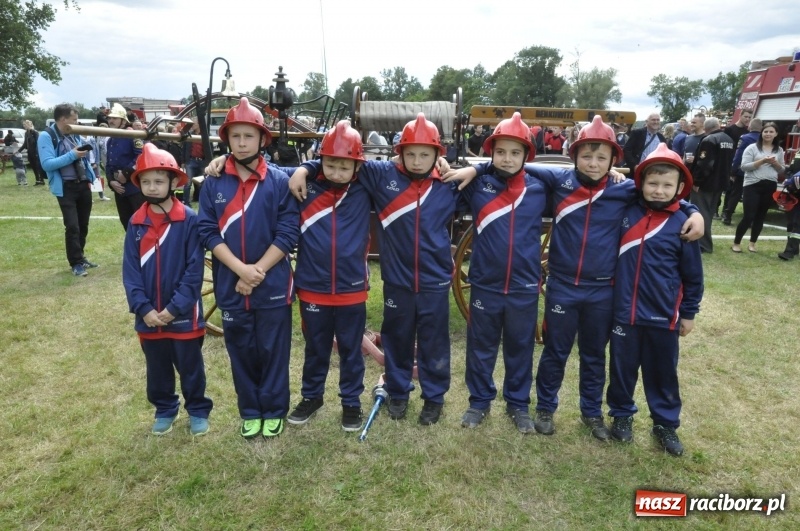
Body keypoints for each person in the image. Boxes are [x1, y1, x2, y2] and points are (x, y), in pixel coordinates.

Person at [445, 116, 704, 440]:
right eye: (586, 156)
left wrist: (695, 213)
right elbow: (508, 168)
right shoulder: (557, 182)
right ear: (573, 155)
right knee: (551, 351)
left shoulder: (624, 191)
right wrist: (478, 168)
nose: (593, 164)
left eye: (601, 157)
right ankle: (528, 406)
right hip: (561, 287)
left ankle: (588, 412)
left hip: (601, 291)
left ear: (613, 159)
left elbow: (662, 194)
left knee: (592, 354)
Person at [288, 113, 457, 426]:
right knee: (397, 339)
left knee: (434, 343)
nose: (417, 161)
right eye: (411, 154)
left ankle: (433, 398)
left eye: (425, 155)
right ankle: (397, 391)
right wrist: (304, 167)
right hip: (396, 280)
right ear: (399, 153)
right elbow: (337, 162)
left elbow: (500, 176)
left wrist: (473, 168)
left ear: (437, 155)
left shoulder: (449, 185)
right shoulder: (378, 175)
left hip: (434, 282)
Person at [197, 97, 300, 439]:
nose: (242, 143)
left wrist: (256, 271)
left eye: (249, 136)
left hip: (272, 285)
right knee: (240, 350)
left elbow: (288, 232)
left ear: (262, 140)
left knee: (273, 351)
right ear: (227, 139)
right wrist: (241, 270)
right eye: (236, 136)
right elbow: (208, 231)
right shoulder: (213, 182)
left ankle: (273, 410)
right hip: (231, 285)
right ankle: (250, 411)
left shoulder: (278, 181)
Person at [606, 143, 704, 457]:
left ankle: (665, 424)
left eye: (667, 185)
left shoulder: (684, 226)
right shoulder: (627, 209)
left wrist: (688, 313)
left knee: (662, 373)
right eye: (652, 183)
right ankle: (621, 415)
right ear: (641, 183)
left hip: (663, 316)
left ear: (679, 188)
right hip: (624, 314)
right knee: (621, 370)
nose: (659, 191)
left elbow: (693, 276)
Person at [458, 113, 547, 433]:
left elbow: (584, 183)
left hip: (524, 285)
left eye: (515, 152)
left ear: (526, 155)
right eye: (500, 152)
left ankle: (518, 404)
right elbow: (440, 173)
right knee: (481, 346)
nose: (507, 158)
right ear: (490, 153)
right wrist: (476, 167)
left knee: (520, 346)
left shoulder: (540, 188)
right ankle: (479, 401)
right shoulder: (477, 184)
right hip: (485, 284)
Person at [122, 143, 213, 436]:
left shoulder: (189, 220)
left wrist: (175, 308)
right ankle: (164, 408)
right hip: (148, 318)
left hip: (183, 315)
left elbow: (194, 271)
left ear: (174, 182)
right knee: (157, 368)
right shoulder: (136, 223)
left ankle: (197, 409)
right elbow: (131, 272)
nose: (151, 187)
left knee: (191, 367)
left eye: (158, 181)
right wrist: (144, 308)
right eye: (146, 181)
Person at [286, 120, 371, 432]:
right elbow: (264, 171)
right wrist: (302, 169)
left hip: (352, 290)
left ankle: (351, 402)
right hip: (312, 288)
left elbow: (400, 170)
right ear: (320, 161)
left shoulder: (364, 187)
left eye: (344, 166)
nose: (336, 172)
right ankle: (312, 396)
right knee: (316, 348)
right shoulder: (305, 185)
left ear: (356, 168)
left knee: (351, 350)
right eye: (330, 164)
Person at [37, 103, 98, 276]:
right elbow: (47, 164)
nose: (76, 123)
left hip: (82, 183)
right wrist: (72, 155)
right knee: (72, 226)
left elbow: (78, 155)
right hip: (66, 187)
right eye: (74, 120)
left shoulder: (73, 133)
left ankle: (80, 257)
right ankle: (75, 263)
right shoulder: (46, 136)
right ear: (63, 119)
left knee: (83, 225)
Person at [731, 122, 785, 253]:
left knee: (761, 216)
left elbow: (782, 170)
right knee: (749, 215)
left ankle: (752, 243)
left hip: (770, 185)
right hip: (752, 185)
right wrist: (762, 161)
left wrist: (775, 163)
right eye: (766, 131)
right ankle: (736, 242)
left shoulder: (779, 150)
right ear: (761, 133)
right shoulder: (752, 147)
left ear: (776, 134)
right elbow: (744, 167)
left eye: (771, 132)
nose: (768, 134)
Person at [689, 118, 734, 254]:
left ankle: (703, 245)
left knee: (702, 214)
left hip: (706, 183)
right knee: (708, 212)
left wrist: (697, 182)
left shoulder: (709, 140)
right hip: (720, 182)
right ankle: (704, 243)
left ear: (706, 128)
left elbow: (704, 164)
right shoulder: (729, 140)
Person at [106, 103, 144, 228]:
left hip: (134, 187)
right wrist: (111, 181)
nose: (111, 121)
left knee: (140, 220)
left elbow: (140, 156)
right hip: (118, 188)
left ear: (123, 120)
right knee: (125, 221)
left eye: (114, 118)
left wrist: (126, 173)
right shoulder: (111, 140)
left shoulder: (132, 135)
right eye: (110, 118)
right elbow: (109, 163)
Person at [723, 118, 762, 226]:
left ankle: (728, 215)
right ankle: (750, 219)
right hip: (757, 172)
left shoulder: (745, 138)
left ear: (750, 126)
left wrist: (733, 170)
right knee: (752, 196)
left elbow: (738, 154)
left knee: (736, 193)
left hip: (743, 170)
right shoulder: (764, 139)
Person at [777, 168, 800, 260]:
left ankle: (789, 251)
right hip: (795, 194)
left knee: (797, 224)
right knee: (791, 223)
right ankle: (793, 248)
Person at [22, 120, 47, 185]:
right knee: (33, 166)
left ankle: (41, 180)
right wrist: (18, 151)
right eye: (23, 125)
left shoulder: (35, 132)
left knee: (38, 166)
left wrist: (37, 152)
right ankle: (37, 180)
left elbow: (38, 143)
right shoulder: (26, 133)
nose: (24, 126)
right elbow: (25, 144)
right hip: (30, 152)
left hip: (36, 152)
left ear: (29, 125)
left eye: (25, 125)